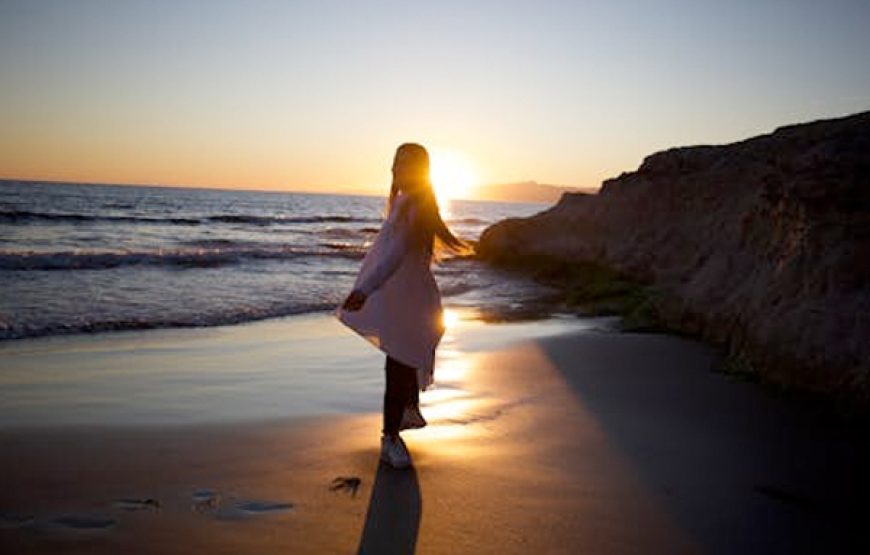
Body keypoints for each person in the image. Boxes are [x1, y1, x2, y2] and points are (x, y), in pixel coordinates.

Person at [335, 142, 472, 469]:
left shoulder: (414, 206)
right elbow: (388, 254)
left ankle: (397, 426)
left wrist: (365, 289)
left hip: (410, 298)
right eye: (397, 164)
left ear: (421, 172)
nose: (400, 170)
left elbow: (394, 256)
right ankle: (391, 435)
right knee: (399, 362)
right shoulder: (408, 204)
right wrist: (366, 288)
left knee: (403, 360)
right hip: (404, 297)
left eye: (408, 165)